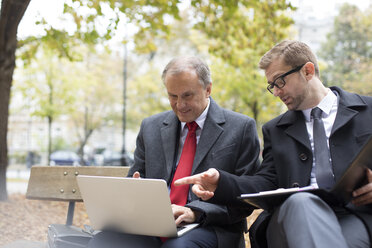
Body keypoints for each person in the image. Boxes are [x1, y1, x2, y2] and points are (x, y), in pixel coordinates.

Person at [176, 40, 372, 248]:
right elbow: (265, 182)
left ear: (307, 71)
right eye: (272, 86)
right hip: (291, 216)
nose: (276, 92)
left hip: (356, 214)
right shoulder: (275, 129)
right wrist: (220, 181)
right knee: (301, 201)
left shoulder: (367, 111)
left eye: (280, 81)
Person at [88, 56, 260, 248]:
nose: (180, 105)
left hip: (210, 227)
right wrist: (134, 192)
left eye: (187, 95)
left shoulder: (241, 127)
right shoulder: (150, 127)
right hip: (152, 225)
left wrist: (196, 212)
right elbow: (136, 176)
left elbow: (247, 196)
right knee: (104, 241)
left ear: (208, 89)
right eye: (173, 96)